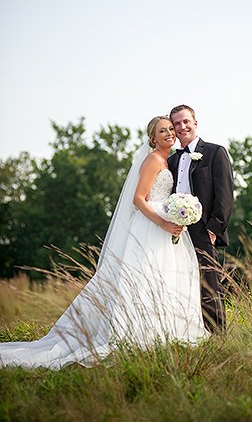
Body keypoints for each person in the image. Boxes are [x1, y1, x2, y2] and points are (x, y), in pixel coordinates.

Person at [0, 117, 209, 369]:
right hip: (151, 226)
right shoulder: (153, 159)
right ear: (153, 138)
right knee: (143, 278)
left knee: (163, 279)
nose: (168, 133)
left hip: (166, 225)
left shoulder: (170, 160)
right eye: (161, 130)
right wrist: (163, 223)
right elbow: (138, 199)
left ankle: (163, 331)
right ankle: (134, 333)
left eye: (170, 129)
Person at [167, 104, 234, 333]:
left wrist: (214, 229)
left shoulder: (215, 152)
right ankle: (189, 333)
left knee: (208, 283)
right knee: (181, 281)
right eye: (177, 123)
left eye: (186, 121)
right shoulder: (173, 160)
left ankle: (217, 335)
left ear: (195, 123)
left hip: (204, 229)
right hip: (176, 229)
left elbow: (225, 195)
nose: (182, 126)